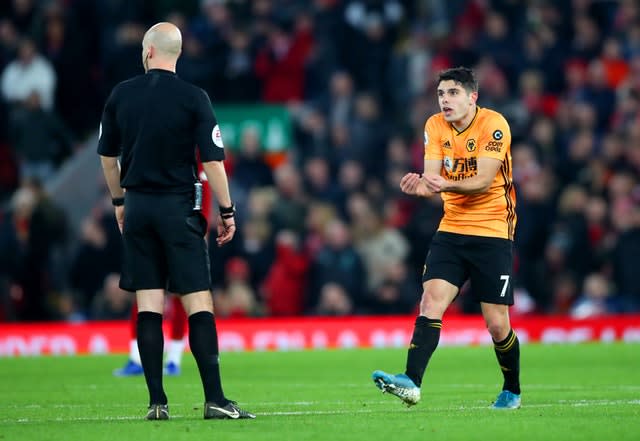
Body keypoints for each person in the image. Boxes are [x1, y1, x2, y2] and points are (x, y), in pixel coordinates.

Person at [97, 22, 254, 420]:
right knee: (198, 302)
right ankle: (215, 400)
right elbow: (213, 161)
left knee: (149, 304)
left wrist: (119, 201)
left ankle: (156, 403)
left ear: (148, 51)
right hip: (178, 207)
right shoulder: (193, 97)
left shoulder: (121, 95)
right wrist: (227, 210)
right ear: (177, 54)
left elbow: (107, 157)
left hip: (137, 209)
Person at [372, 67, 521, 410]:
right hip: (452, 228)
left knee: (497, 324)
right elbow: (431, 181)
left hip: (492, 229)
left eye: (453, 93)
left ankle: (512, 388)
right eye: (441, 94)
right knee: (430, 301)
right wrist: (416, 187)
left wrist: (441, 185)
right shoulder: (434, 126)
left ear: (473, 97)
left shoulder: (494, 124)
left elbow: (483, 180)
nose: (445, 101)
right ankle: (411, 382)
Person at [114, 161, 213, 377]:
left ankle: (173, 358)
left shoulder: (191, 154)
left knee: (174, 293)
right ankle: (137, 357)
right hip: (160, 223)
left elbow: (203, 183)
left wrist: (202, 229)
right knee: (148, 291)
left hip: (177, 226)